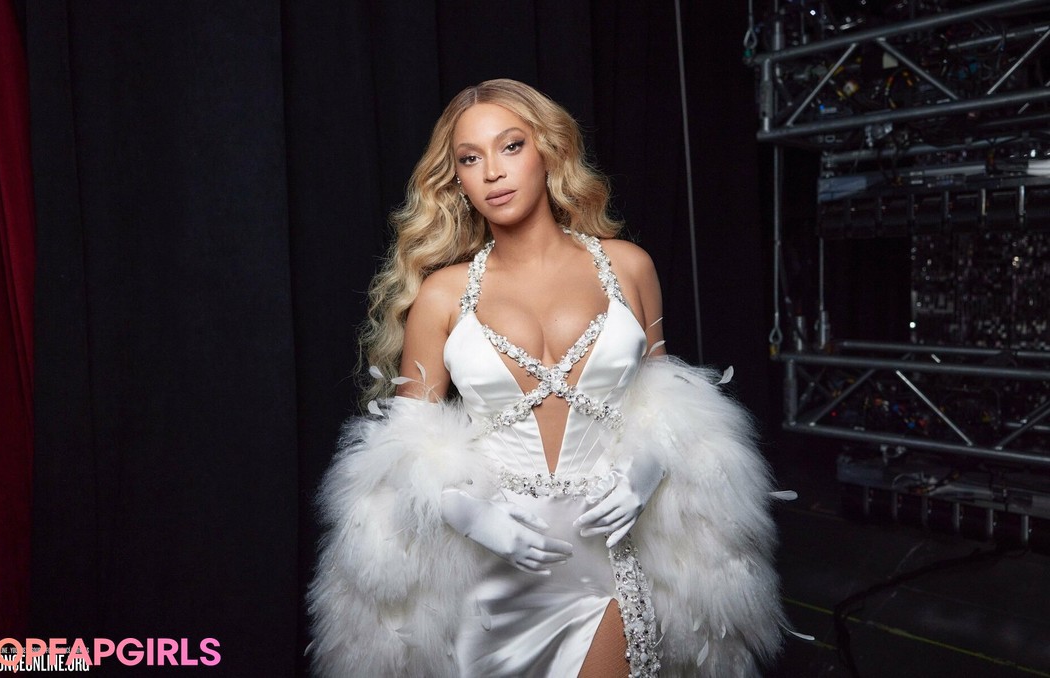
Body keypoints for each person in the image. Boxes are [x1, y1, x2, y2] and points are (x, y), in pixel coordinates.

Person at [307, 79, 787, 678]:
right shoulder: (442, 295)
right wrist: (471, 516)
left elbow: (668, 402)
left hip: (608, 561)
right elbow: (403, 452)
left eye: (511, 146)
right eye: (470, 159)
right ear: (457, 180)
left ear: (548, 151)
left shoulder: (629, 267)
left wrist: (647, 469)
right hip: (490, 577)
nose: (492, 172)